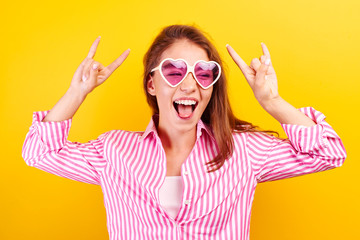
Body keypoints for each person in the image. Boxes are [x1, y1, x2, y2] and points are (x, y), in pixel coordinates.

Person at [22, 25, 346, 240]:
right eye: (174, 71)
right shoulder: (114, 152)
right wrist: (76, 93)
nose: (189, 84)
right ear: (152, 84)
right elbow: (38, 151)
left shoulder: (244, 152)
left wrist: (271, 101)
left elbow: (330, 152)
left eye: (203, 74)